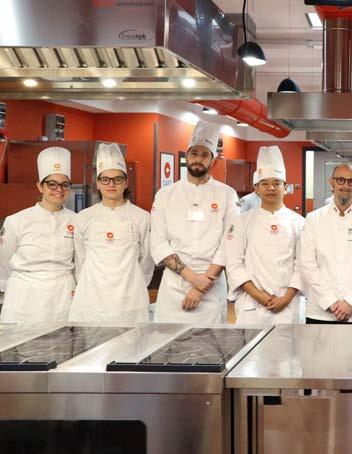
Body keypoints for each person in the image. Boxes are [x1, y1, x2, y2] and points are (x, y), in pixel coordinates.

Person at [150, 121, 239, 323]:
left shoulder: (227, 194)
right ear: (187, 156)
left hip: (211, 286)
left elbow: (229, 242)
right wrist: (193, 278)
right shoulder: (165, 194)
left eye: (205, 155)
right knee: (168, 341)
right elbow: (158, 242)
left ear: (212, 160)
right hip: (174, 286)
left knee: (211, 341)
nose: (198, 159)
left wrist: (201, 285)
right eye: (194, 153)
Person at [68, 143, 154, 322]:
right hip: (91, 300)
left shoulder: (142, 218)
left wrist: (135, 285)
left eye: (117, 179)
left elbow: (146, 261)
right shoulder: (83, 218)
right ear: (98, 183)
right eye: (105, 179)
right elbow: (80, 261)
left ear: (126, 182)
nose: (111, 184)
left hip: (130, 300)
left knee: (132, 340)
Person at [223, 146, 305, 324]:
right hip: (252, 305)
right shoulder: (242, 221)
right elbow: (234, 263)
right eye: (265, 183)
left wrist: (286, 298)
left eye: (277, 183)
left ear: (285, 187)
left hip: (288, 306)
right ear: (257, 188)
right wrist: (259, 295)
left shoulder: (299, 222)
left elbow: (302, 264)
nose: (271, 188)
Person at [300, 163, 352, 324]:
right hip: (320, 312)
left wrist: (351, 302)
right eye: (341, 180)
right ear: (331, 183)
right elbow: (308, 264)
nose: (346, 186)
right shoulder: (313, 219)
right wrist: (330, 301)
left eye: (351, 181)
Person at [0, 147, 76, 324]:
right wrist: (4, 290)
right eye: (52, 184)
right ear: (40, 186)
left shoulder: (77, 221)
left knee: (61, 341)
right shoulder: (16, 221)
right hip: (24, 299)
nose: (59, 189)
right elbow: (2, 261)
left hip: (62, 297)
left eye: (65, 184)